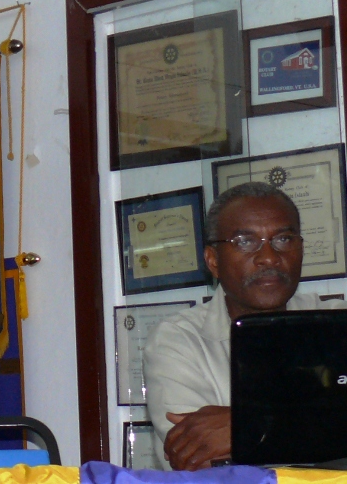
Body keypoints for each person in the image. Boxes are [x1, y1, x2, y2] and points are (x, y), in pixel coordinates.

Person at [143, 181, 345, 471]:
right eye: (245, 241)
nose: (269, 257)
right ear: (213, 260)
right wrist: (319, 426)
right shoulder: (177, 341)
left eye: (284, 239)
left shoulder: (336, 324)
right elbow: (202, 463)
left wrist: (245, 426)